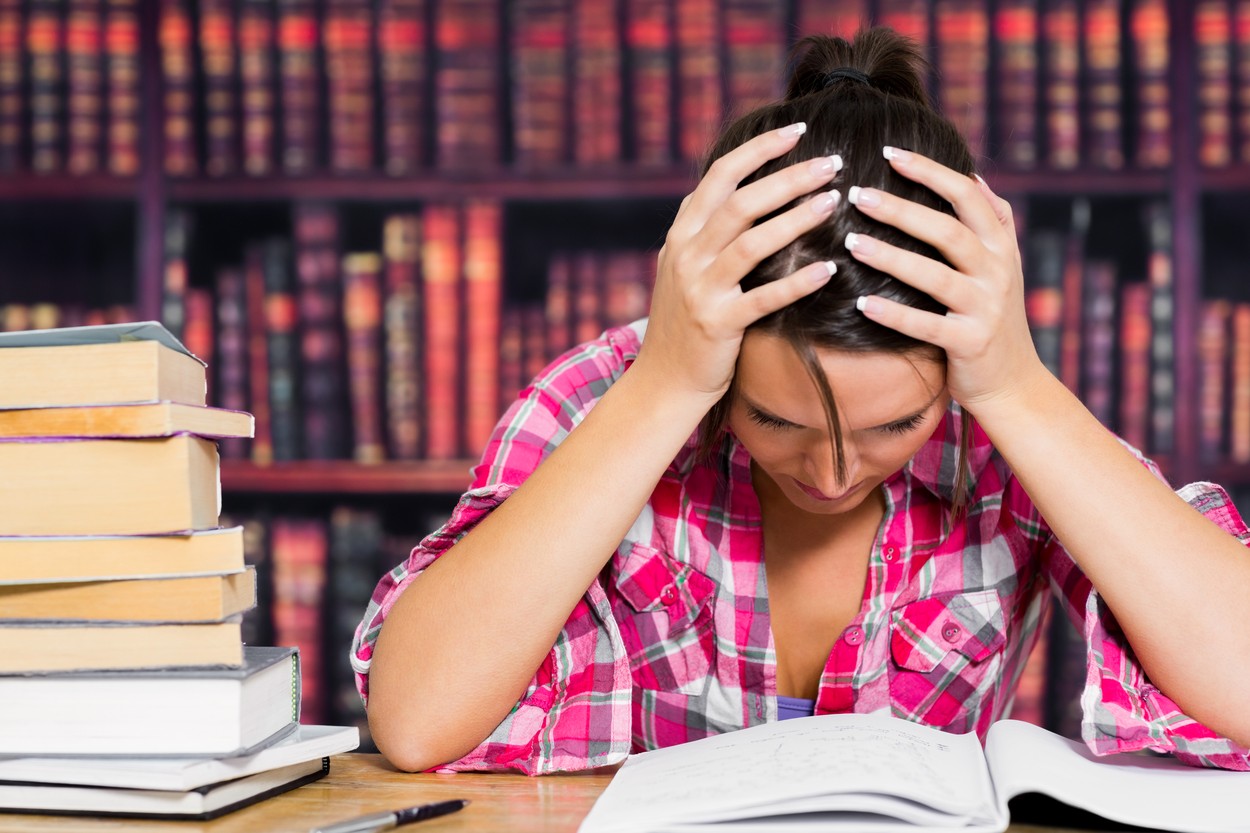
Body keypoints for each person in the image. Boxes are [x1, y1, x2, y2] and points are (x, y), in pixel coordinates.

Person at [352, 28, 1250, 775]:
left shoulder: (1000, 423)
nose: (830, 473)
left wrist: (1016, 387)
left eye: (895, 424)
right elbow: (418, 719)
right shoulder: (613, 392)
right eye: (775, 420)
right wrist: (666, 386)